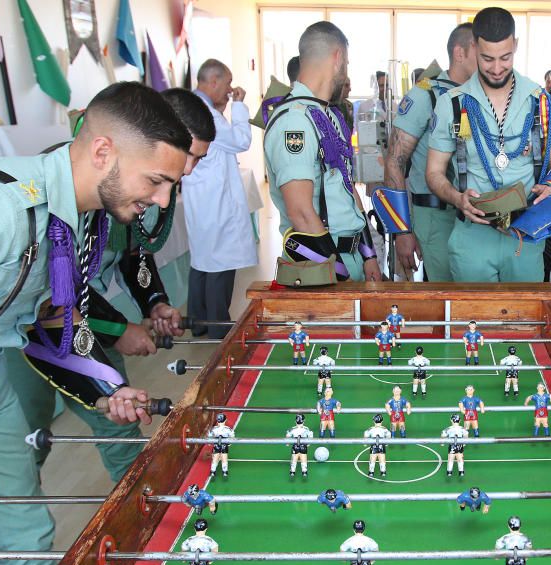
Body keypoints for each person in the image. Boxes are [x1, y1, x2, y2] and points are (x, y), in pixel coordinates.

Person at [0, 81, 190, 565]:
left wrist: (105, 388)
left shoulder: (77, 222)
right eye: (155, 181)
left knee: (25, 530)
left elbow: (51, 322)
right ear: (103, 151)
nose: (161, 200)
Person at [7, 87, 212, 483]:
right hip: (24, 335)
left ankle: (142, 504)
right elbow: (50, 291)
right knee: (23, 443)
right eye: (188, 156)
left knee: (119, 421)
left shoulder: (135, 184)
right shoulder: (75, 186)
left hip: (77, 323)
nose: (187, 171)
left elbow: (133, 250)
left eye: (196, 161)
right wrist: (119, 329)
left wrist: (154, 301)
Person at [426, 7, 551, 283]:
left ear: (515, 45)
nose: (496, 67)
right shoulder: (451, 104)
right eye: (487, 58)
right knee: (473, 323)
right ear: (473, 48)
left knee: (522, 324)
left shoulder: (540, 102)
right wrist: (457, 198)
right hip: (472, 237)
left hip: (526, 236)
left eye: (505, 57)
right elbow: (433, 172)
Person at [264, 22, 380, 285]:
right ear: (338, 57)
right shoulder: (294, 122)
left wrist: (368, 254)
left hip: (350, 258)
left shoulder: (331, 116)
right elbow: (301, 212)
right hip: (319, 265)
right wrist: (341, 277)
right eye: (347, 63)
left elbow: (348, 191)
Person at [385, 24, 476, 281]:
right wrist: (401, 231)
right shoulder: (427, 94)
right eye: (481, 51)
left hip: (471, 215)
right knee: (447, 304)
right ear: (460, 53)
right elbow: (394, 162)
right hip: (436, 216)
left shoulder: (479, 95)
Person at [185, 59, 256, 340]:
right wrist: (239, 106)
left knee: (202, 260)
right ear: (213, 81)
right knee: (220, 263)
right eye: (227, 83)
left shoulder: (195, 107)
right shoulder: (207, 114)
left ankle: (199, 323)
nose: (230, 89)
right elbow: (240, 140)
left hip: (202, 197)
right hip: (214, 200)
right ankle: (218, 327)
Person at [208, 412, 234, 478]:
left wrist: (211, 442)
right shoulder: (228, 429)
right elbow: (232, 437)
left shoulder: (214, 429)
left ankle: (213, 471)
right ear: (225, 420)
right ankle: (225, 471)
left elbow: (209, 437)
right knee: (224, 458)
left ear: (217, 421)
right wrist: (229, 443)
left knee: (215, 458)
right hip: (224, 445)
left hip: (216, 445)